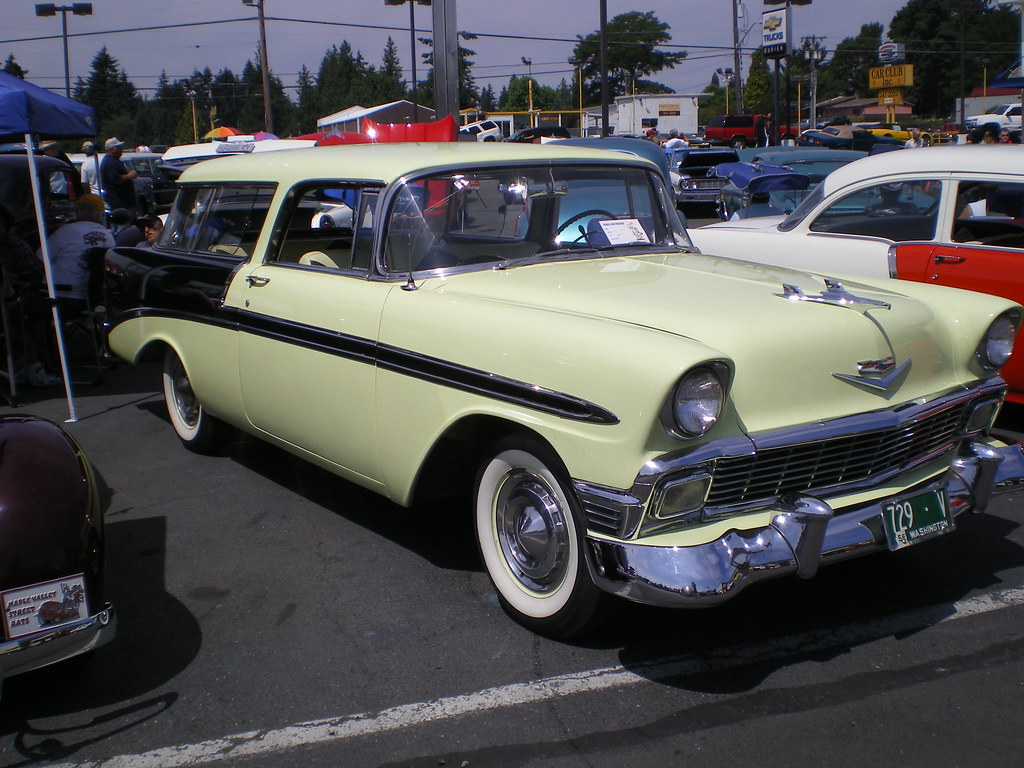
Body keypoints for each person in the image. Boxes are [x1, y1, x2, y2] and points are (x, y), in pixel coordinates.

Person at [0, 204, 59, 386]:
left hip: (15, 295)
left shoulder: (13, 243)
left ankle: (32, 364)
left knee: (22, 313)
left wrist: (13, 279)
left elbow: (34, 272)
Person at [36, 193, 114, 304]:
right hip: (92, 298)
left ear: (79, 212)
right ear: (100, 214)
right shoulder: (108, 237)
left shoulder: (67, 230)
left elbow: (41, 256)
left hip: (60, 294)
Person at [100, 137, 138, 215]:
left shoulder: (114, 160)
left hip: (124, 202)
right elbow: (115, 179)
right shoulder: (110, 162)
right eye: (118, 147)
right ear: (112, 149)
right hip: (119, 203)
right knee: (123, 224)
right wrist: (130, 176)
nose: (121, 149)